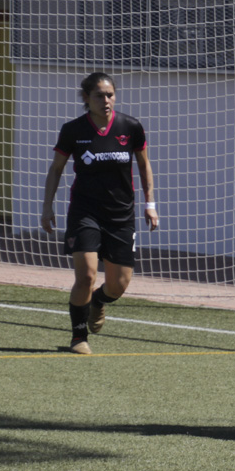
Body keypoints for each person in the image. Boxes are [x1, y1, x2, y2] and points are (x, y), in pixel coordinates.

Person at [40, 72, 158, 355]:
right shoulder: (73, 130)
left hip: (120, 215)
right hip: (85, 212)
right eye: (99, 95)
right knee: (87, 275)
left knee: (119, 284)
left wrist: (150, 204)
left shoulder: (130, 127)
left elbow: (143, 165)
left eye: (110, 94)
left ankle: (98, 301)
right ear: (86, 98)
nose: (106, 100)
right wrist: (47, 206)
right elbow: (56, 169)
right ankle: (78, 337)